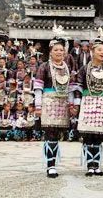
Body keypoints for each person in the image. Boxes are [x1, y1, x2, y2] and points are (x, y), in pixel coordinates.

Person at [73, 28, 103, 177]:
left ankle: (96, 165)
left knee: (99, 136)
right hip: (88, 102)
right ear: (93, 51)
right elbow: (78, 87)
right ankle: (89, 165)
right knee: (88, 136)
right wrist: (77, 104)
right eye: (99, 50)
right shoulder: (84, 69)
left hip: (102, 104)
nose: (102, 53)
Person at [34, 28, 74, 178]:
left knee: (57, 134)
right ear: (51, 51)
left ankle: (53, 163)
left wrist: (71, 104)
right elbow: (38, 88)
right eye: (56, 50)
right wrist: (38, 106)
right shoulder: (44, 67)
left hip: (62, 103)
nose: (59, 52)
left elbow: (70, 88)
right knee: (50, 133)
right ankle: (50, 165)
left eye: (61, 50)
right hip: (49, 102)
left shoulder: (67, 67)